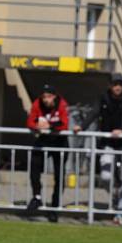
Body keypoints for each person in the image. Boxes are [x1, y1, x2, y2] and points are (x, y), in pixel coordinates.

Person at [74, 73, 122, 225]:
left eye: (120, 84)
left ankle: (120, 212)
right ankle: (114, 196)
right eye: (115, 84)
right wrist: (81, 126)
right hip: (108, 142)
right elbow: (93, 113)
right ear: (110, 85)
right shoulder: (103, 98)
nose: (118, 87)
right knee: (105, 176)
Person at [26, 83, 69, 222]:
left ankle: (55, 207)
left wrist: (50, 126)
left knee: (59, 175)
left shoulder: (61, 104)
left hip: (59, 141)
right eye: (44, 97)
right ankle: (37, 197)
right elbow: (30, 122)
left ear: (54, 97)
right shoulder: (37, 103)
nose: (46, 100)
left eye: (49, 97)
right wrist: (37, 126)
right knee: (34, 164)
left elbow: (64, 124)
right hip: (44, 139)